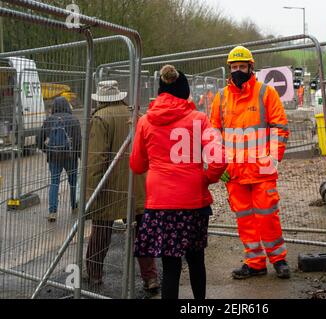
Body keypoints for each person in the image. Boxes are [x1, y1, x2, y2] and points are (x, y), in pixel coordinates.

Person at [130, 65, 227, 300]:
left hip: (160, 204)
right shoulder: (199, 119)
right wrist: (206, 178)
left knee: (170, 266)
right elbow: (219, 158)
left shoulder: (145, 121)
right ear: (185, 91)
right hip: (193, 202)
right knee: (196, 261)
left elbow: (137, 165)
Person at [210, 46, 291, 280]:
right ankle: (255, 262)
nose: (237, 71)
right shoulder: (221, 97)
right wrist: (219, 165)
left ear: (250, 67)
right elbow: (213, 132)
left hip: (261, 171)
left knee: (268, 217)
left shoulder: (266, 93)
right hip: (234, 173)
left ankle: (278, 259)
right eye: (234, 67)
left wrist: (272, 160)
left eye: (241, 67)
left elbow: (281, 128)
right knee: (245, 221)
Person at [85, 80, 158, 291]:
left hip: (109, 186)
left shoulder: (100, 118)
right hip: (138, 182)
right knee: (142, 234)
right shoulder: (136, 115)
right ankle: (150, 278)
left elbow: (96, 159)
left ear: (100, 98)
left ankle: (95, 275)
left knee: (100, 232)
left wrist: (91, 191)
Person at [37, 96, 81, 222]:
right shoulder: (74, 120)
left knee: (54, 182)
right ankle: (74, 206)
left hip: (54, 156)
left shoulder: (49, 120)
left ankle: (52, 212)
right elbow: (78, 141)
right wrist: (79, 155)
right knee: (73, 182)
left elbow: (39, 141)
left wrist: (47, 150)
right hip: (70, 156)